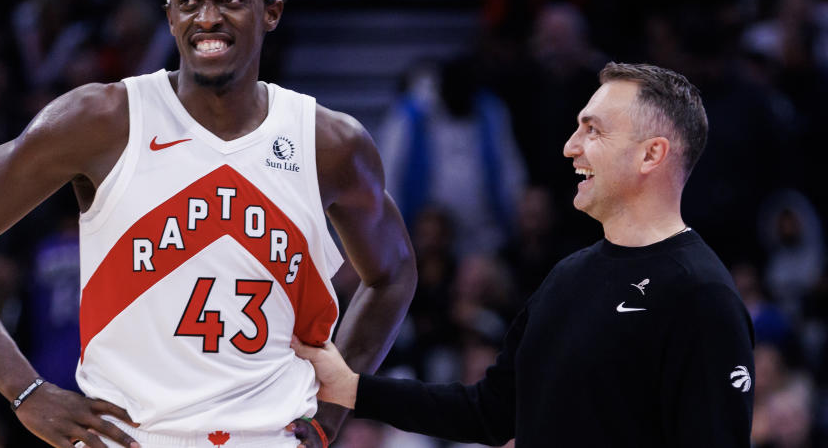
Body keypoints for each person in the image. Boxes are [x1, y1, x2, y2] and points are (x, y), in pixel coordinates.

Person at [0, 0, 416, 448]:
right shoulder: (103, 119)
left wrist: (332, 411)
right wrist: (24, 389)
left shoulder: (328, 143)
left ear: (272, 12)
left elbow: (394, 273)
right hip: (127, 437)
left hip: (269, 435)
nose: (207, 17)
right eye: (188, 1)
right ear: (170, 18)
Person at [294, 62, 755, 447]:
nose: (570, 146)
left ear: (652, 154)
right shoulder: (568, 275)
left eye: (592, 130)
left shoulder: (702, 294)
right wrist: (353, 388)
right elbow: (490, 412)